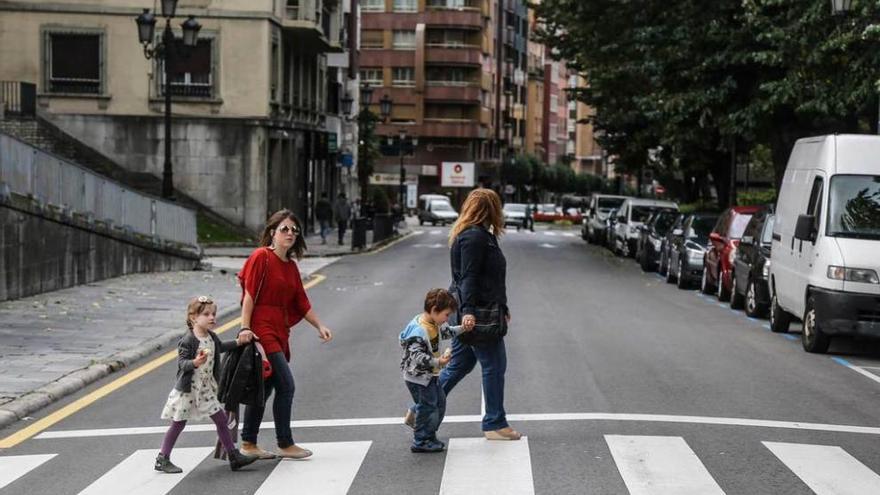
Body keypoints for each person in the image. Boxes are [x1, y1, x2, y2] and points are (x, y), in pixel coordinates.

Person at [237, 209, 334, 459]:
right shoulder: (261, 257)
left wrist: (319, 325)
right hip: (262, 329)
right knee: (286, 385)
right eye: (284, 229)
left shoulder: (290, 266)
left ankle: (248, 443)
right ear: (272, 232)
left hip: (280, 330)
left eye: (294, 230)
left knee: (265, 387)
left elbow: (301, 301)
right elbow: (249, 295)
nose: (290, 233)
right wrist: (245, 328)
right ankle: (284, 442)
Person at [442, 188, 522, 440]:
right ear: (491, 209)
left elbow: (491, 278)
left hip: (478, 309)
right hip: (477, 314)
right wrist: (468, 314)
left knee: (460, 364)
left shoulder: (480, 235)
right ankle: (495, 423)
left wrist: (504, 307)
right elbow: (469, 278)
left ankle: (420, 408)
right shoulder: (474, 238)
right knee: (495, 365)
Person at [155, 296, 259, 473]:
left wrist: (239, 342)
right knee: (178, 423)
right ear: (193, 318)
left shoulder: (211, 336)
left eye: (213, 314)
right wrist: (195, 362)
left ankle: (234, 456)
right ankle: (162, 458)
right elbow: (182, 364)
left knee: (221, 421)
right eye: (206, 314)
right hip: (188, 390)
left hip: (205, 389)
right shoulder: (188, 340)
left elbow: (220, 347)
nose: (212, 318)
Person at [399, 289, 474, 453]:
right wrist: (438, 361)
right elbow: (416, 356)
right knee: (427, 407)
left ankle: (429, 434)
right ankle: (421, 440)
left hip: (430, 374)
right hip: (417, 377)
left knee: (439, 403)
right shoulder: (418, 330)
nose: (447, 319)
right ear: (434, 310)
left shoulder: (435, 323)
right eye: (446, 315)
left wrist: (463, 328)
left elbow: (448, 332)